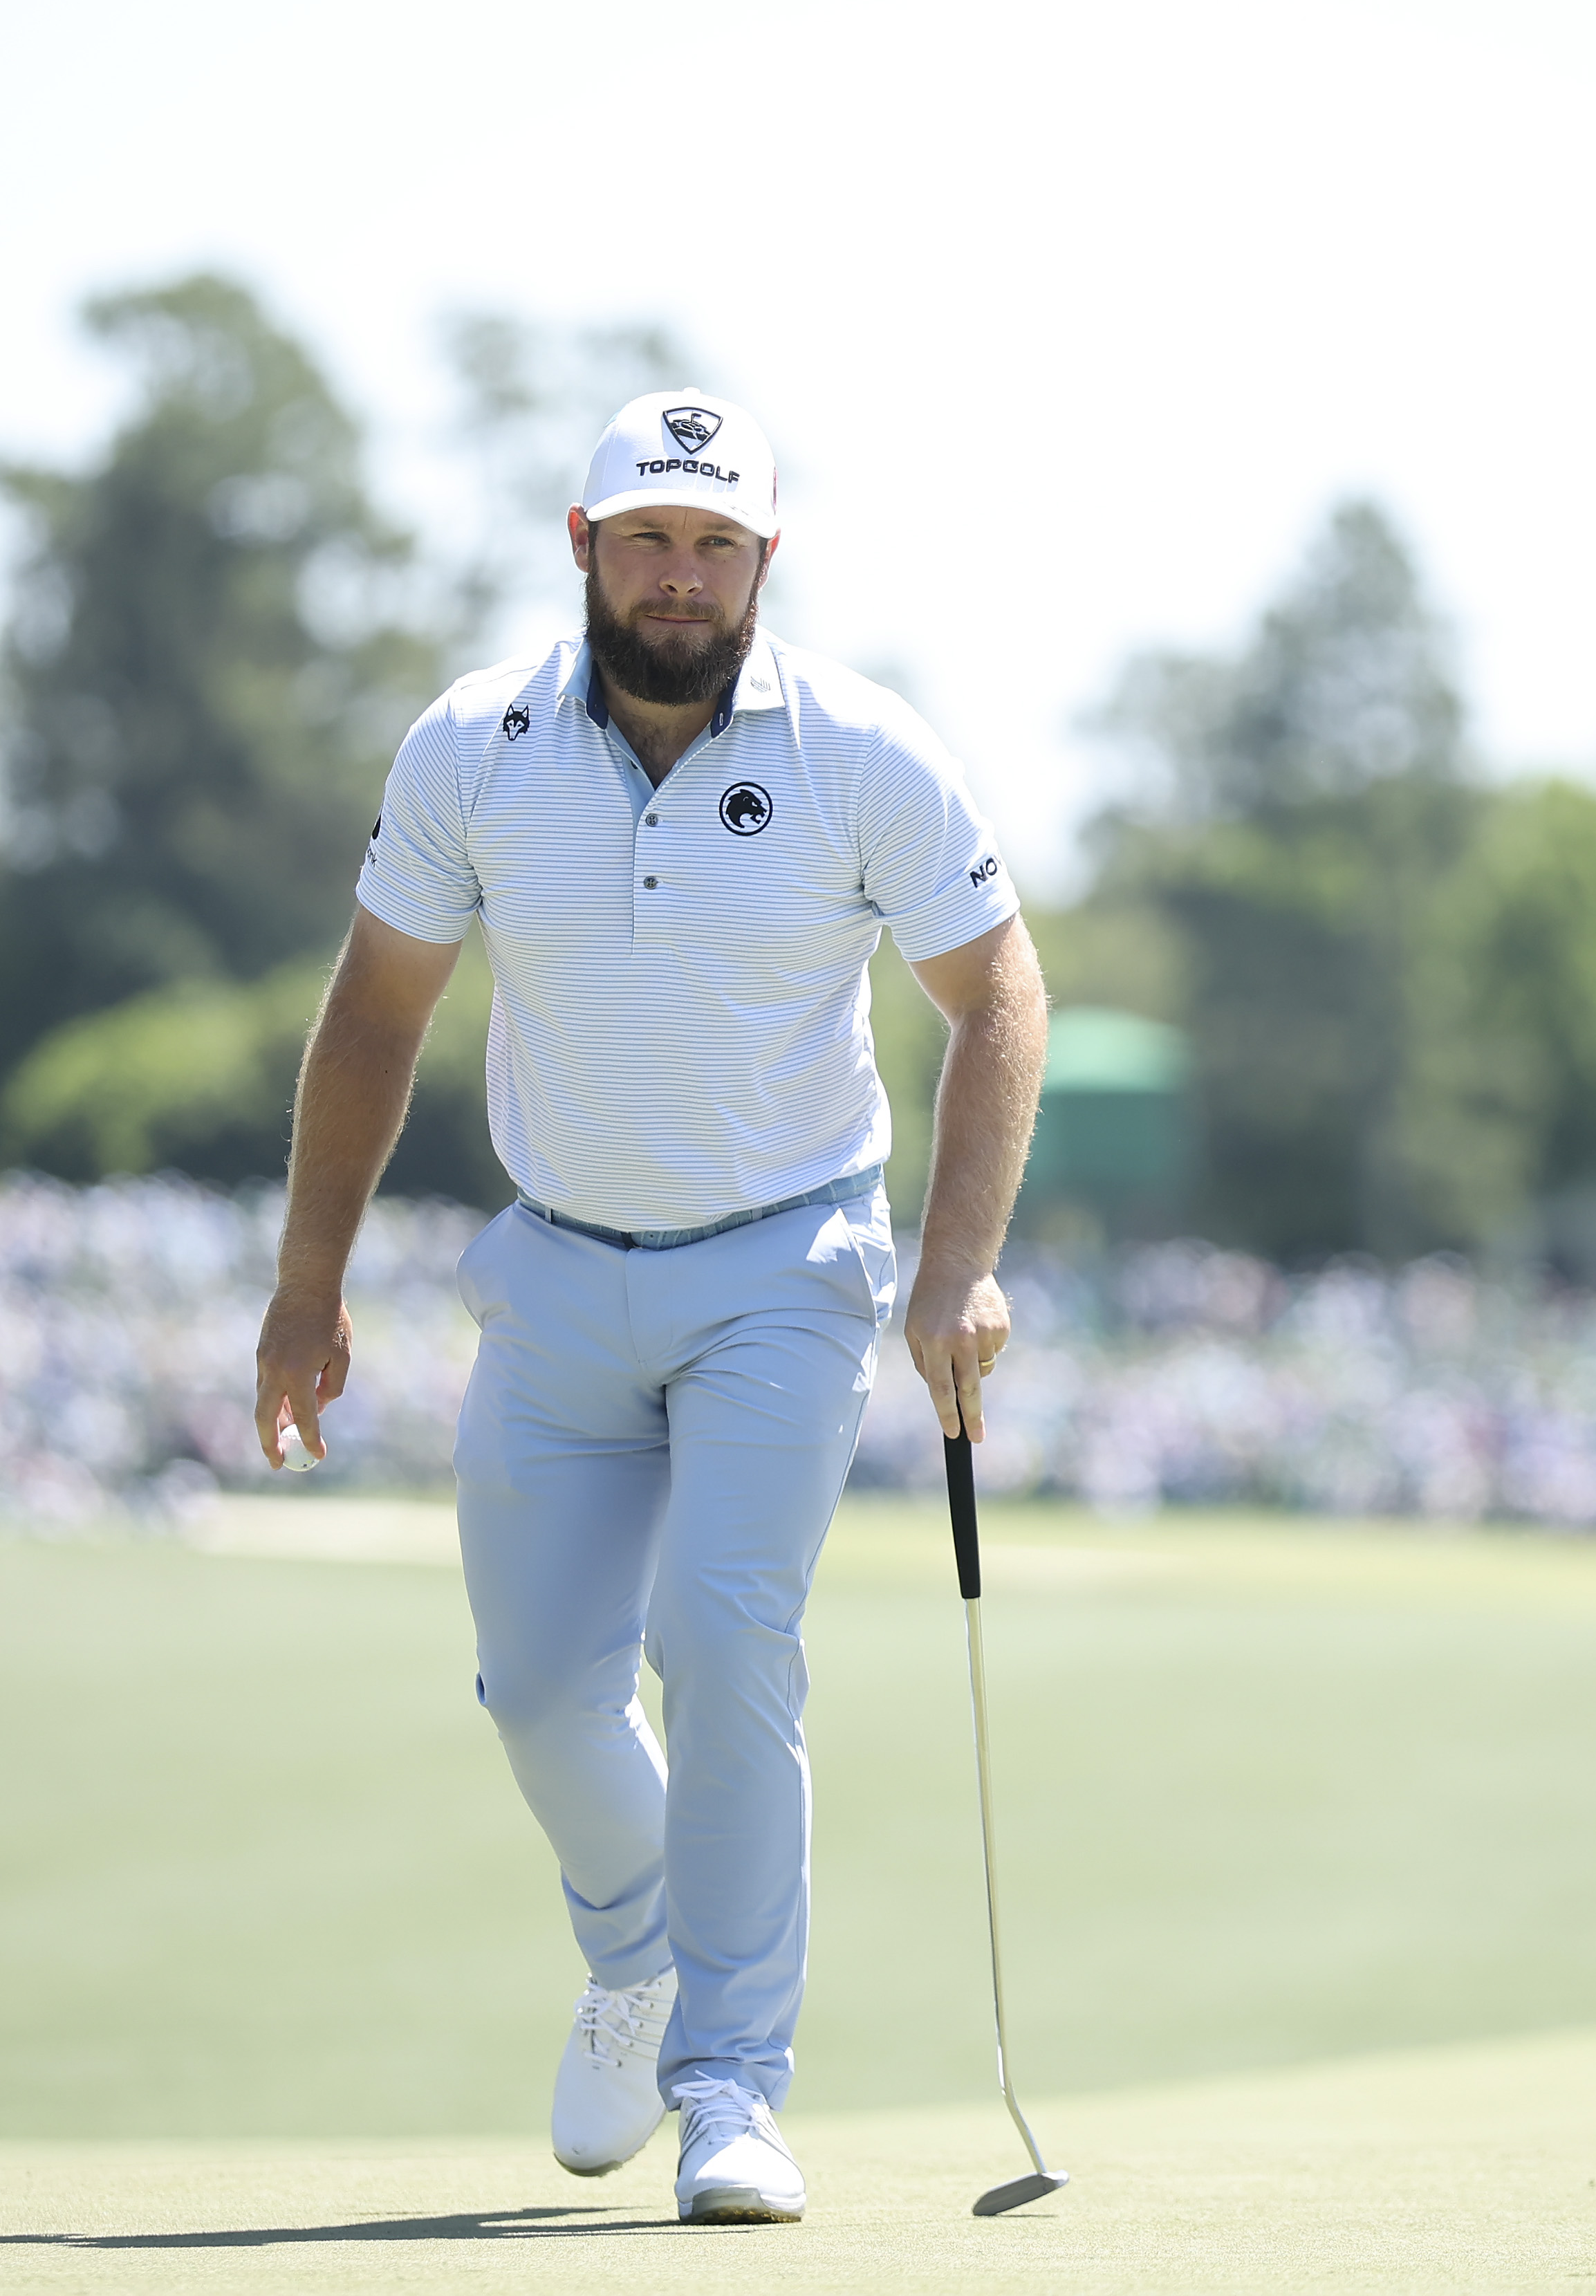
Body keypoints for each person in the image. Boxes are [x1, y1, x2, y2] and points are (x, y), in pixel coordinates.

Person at [250, 387, 1046, 2225]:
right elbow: (377, 1015)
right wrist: (309, 1283)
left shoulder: (859, 750)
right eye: (645, 540)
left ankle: (733, 2088)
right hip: (560, 1267)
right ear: (582, 547)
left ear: (765, 561)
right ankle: (638, 1959)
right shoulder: (476, 745)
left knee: (723, 1631)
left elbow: (998, 993)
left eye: (712, 544)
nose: (676, 579)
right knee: (536, 1681)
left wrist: (954, 1261)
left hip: (788, 1267)